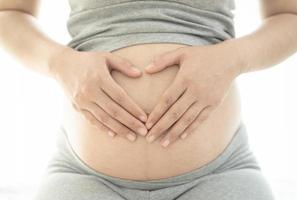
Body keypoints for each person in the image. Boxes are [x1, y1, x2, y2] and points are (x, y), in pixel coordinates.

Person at [0, 0, 296, 199]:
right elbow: (10, 12)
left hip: (220, 174)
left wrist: (234, 58)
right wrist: (60, 62)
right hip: (84, 177)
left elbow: (289, 15)